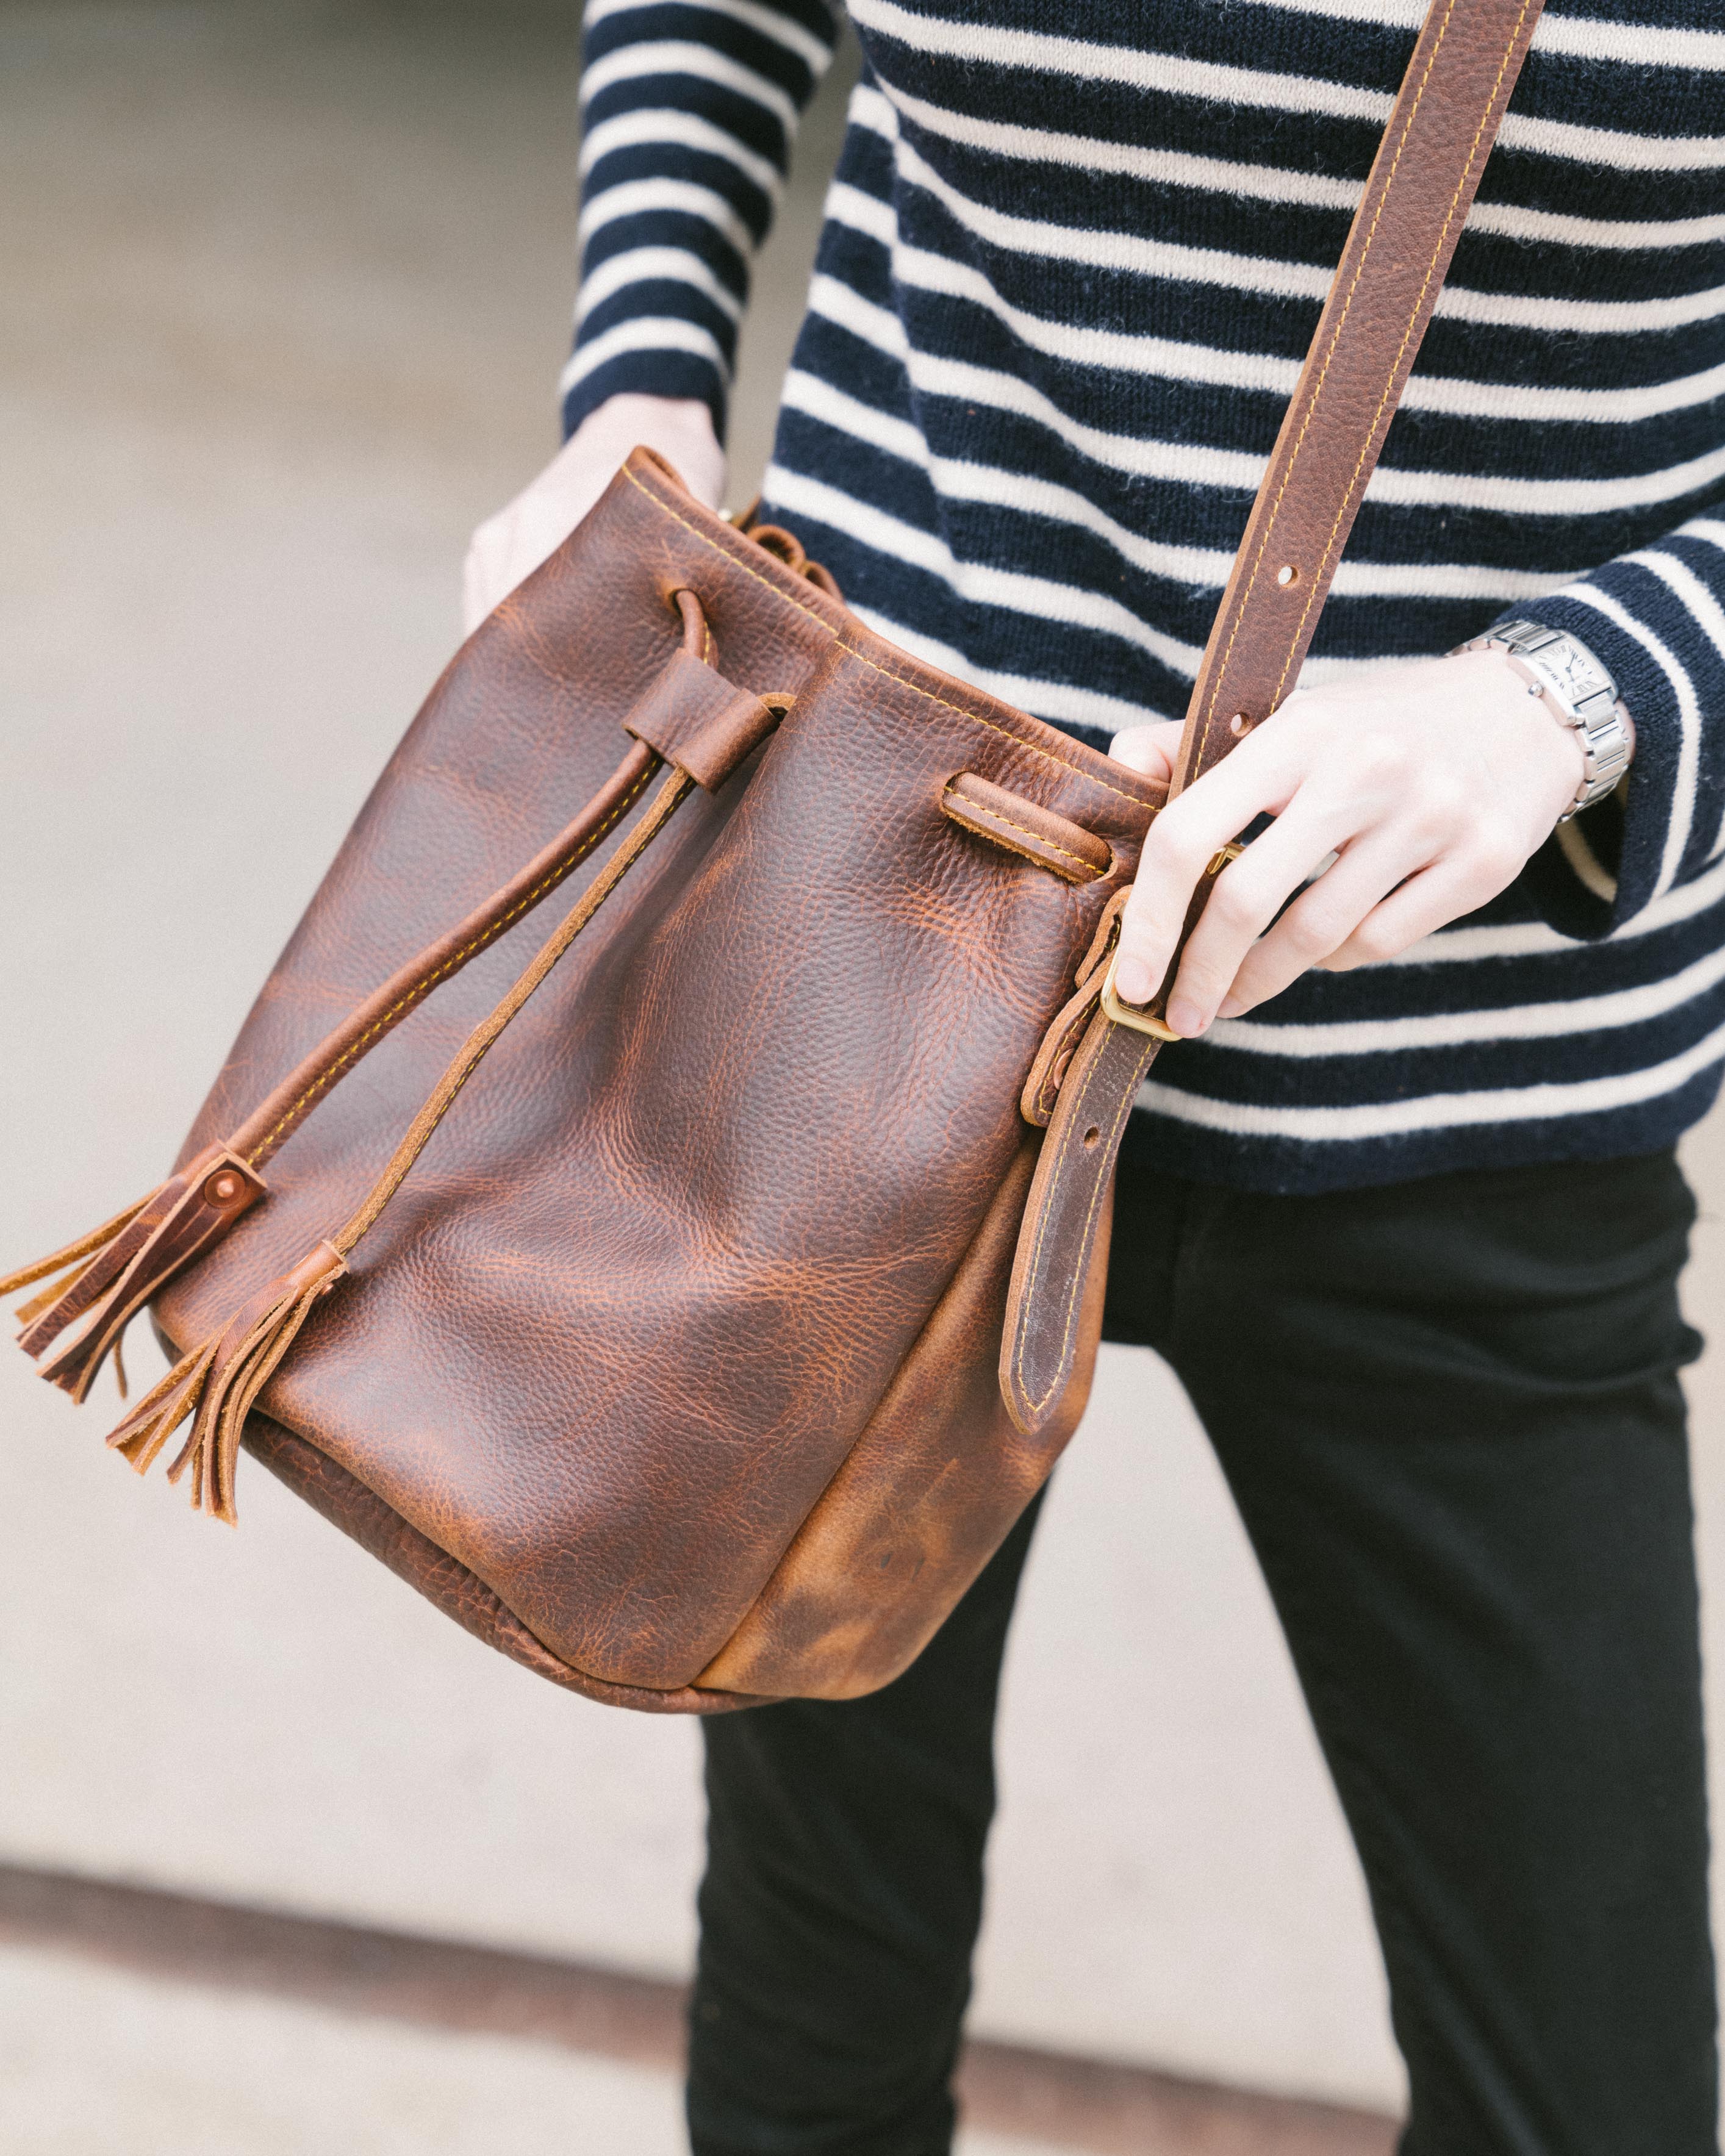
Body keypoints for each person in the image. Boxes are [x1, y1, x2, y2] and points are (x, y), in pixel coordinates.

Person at [468, 2, 1725, 2149]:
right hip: (879, 947)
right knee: (813, 1992)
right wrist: (641, 377)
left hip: (1459, 1093)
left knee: (1589, 2087)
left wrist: (1581, 692)